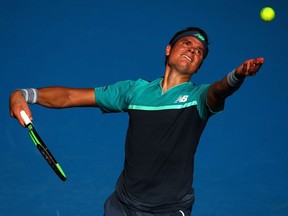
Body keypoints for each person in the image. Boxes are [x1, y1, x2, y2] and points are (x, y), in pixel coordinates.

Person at [9, 26, 264, 216]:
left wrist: (237, 75)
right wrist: (24, 94)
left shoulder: (199, 98)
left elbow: (220, 89)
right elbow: (70, 96)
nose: (192, 51)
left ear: (198, 67)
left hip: (168, 209)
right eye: (186, 44)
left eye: (199, 52)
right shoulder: (134, 91)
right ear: (168, 49)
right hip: (123, 205)